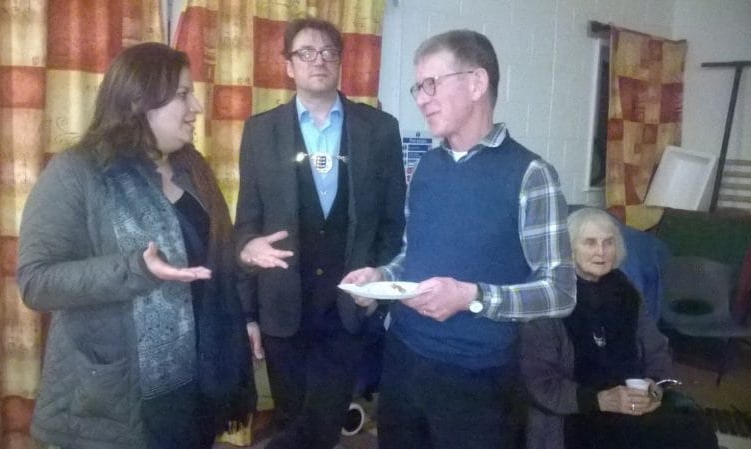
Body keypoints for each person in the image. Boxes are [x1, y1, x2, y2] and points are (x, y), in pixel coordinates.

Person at [342, 29, 576, 449]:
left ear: (476, 82)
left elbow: (560, 292)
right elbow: (413, 254)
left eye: (431, 83)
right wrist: (381, 278)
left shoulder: (531, 175)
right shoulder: (426, 167)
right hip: (403, 360)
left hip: (478, 377)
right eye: (418, 87)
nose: (421, 98)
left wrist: (472, 296)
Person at [17, 42, 254, 449]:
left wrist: (244, 252)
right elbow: (36, 282)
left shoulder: (192, 168)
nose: (196, 107)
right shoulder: (78, 172)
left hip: (198, 380)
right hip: (116, 394)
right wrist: (135, 269)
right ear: (138, 101)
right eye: (183, 95)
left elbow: (208, 258)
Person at [233, 17, 406, 449]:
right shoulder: (260, 131)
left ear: (341, 61)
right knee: (291, 417)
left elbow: (393, 222)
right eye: (306, 52)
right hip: (281, 306)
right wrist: (248, 312)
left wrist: (381, 287)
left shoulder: (379, 129)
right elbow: (247, 224)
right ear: (288, 65)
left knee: (324, 422)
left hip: (349, 306)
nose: (319, 60)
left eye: (329, 52)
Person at [519, 207, 719, 449]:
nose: (601, 252)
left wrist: (655, 386)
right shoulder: (546, 300)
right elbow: (538, 383)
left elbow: (657, 348)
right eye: (590, 243)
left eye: (608, 242)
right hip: (578, 410)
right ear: (568, 249)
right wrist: (601, 400)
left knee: (695, 428)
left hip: (632, 400)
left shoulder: (624, 289)